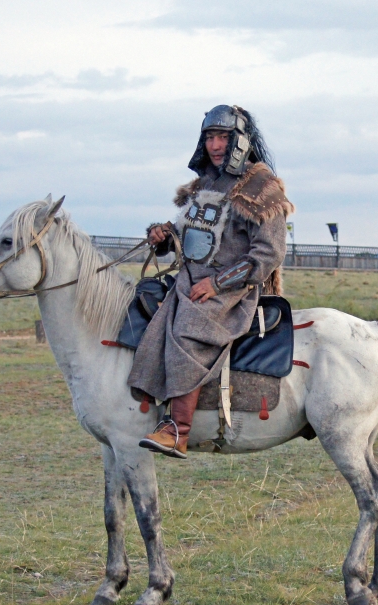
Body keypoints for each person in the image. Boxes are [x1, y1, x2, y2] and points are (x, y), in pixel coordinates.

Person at [128, 105, 294, 458]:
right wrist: (164, 236)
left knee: (189, 327)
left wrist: (217, 285)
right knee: (146, 306)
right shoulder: (204, 184)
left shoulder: (263, 188)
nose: (215, 145)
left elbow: (269, 254)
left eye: (223, 137)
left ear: (239, 141)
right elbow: (195, 239)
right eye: (210, 137)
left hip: (232, 291)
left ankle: (177, 430)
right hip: (188, 279)